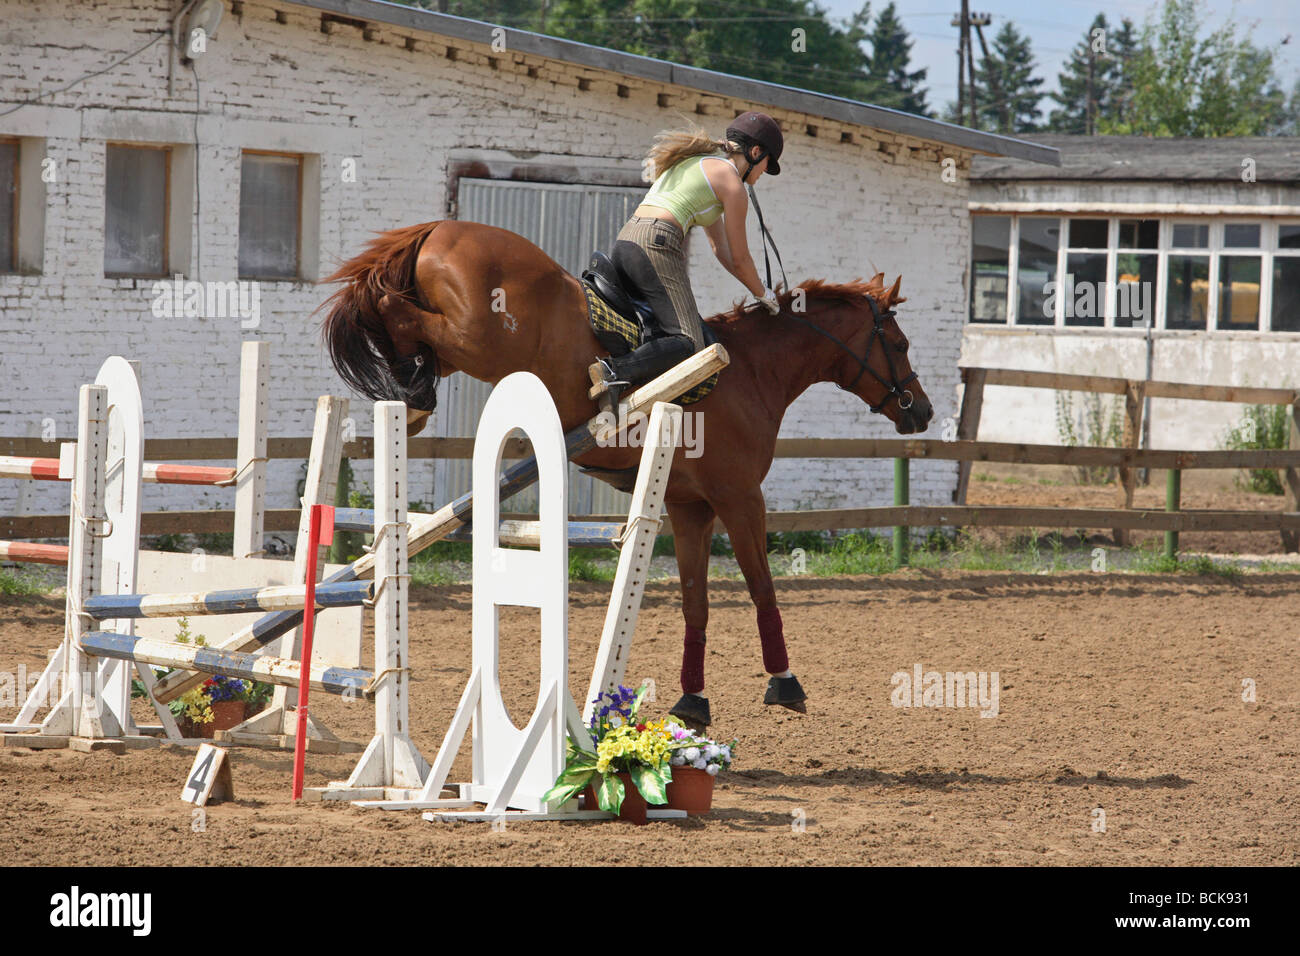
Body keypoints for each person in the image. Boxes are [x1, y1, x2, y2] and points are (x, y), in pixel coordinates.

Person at [589, 111, 785, 406]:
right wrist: (764, 294)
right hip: (657, 244)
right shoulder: (733, 184)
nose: (760, 177)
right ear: (756, 152)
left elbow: (723, 252)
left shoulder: (701, 164)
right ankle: (612, 372)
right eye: (766, 165)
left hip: (628, 241)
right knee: (690, 343)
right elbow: (742, 258)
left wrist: (757, 290)